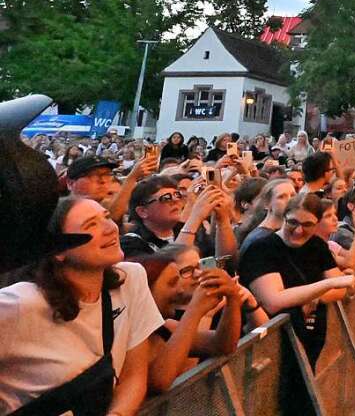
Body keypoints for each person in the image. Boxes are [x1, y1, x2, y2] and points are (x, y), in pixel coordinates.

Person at [0, 197, 164, 415]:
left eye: (106, 216)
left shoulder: (131, 279)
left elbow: (134, 375)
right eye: (91, 225)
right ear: (58, 251)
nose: (110, 228)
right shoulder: (20, 303)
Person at [238, 193, 355, 366]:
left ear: (317, 224)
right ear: (284, 218)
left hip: (310, 336)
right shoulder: (261, 248)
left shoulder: (317, 245)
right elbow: (274, 301)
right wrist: (328, 284)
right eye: (292, 222)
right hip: (268, 350)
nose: (298, 231)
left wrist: (314, 296)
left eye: (307, 225)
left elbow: (341, 290)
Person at [131, 249, 242, 392]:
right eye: (171, 284)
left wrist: (233, 299)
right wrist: (194, 311)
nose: (180, 291)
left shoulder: (165, 327)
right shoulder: (128, 334)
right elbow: (159, 381)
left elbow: (223, 345)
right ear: (145, 291)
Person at [120, 175, 236, 260]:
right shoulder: (131, 243)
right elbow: (174, 267)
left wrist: (223, 220)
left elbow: (225, 259)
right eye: (166, 198)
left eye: (177, 195)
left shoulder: (190, 231)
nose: (175, 200)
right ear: (143, 211)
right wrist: (195, 216)